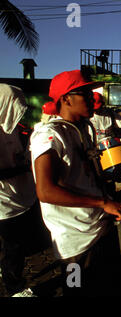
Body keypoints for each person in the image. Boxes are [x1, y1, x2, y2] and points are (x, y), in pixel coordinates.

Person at [29, 70, 121, 296]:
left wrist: (118, 176)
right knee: (75, 290)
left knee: (100, 286)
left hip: (98, 228)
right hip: (74, 243)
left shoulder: (83, 129)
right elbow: (45, 191)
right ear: (66, 98)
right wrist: (101, 203)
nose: (92, 97)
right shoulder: (48, 135)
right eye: (85, 93)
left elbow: (85, 175)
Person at [0, 84, 39, 297]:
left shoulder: (12, 128)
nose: (20, 112)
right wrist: (23, 167)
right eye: (15, 107)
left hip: (20, 195)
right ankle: (14, 287)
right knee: (14, 246)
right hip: (4, 201)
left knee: (15, 245)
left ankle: (8, 271)